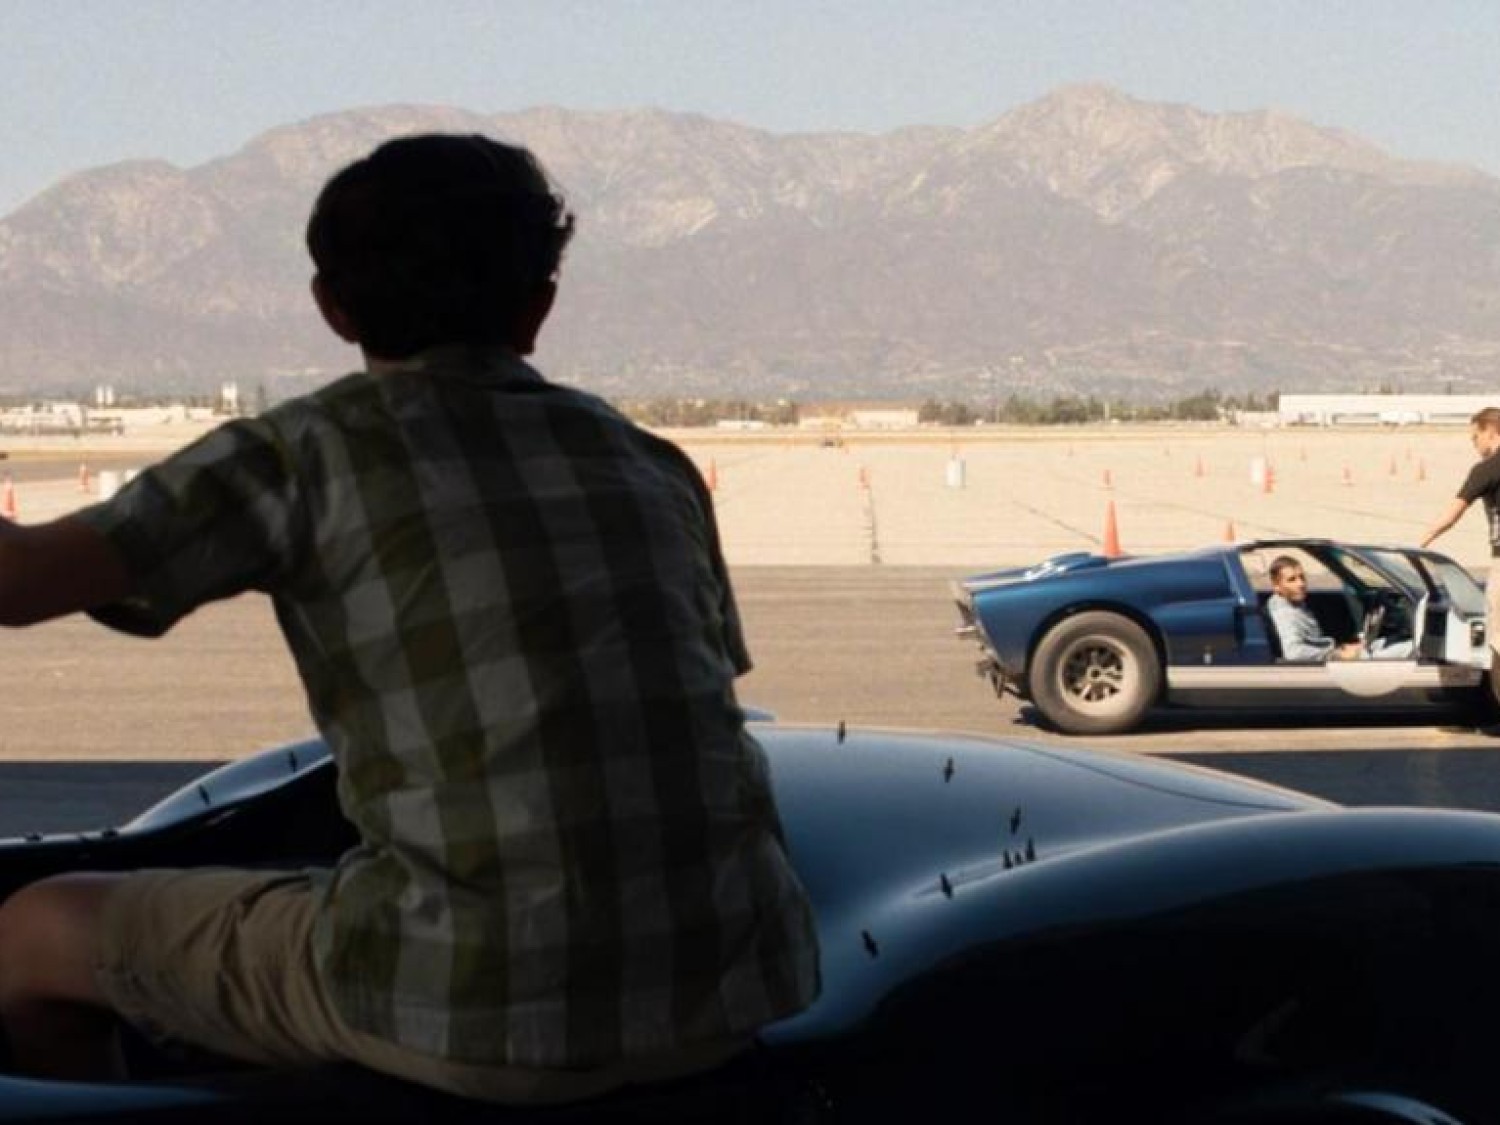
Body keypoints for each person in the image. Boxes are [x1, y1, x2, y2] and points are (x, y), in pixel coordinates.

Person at [0, 134, 819, 1100]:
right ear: (538, 305)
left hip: (472, 1000)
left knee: (35, 932)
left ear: (331, 306)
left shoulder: (301, 452)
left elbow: (20, 582)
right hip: (731, 984)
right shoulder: (651, 462)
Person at [1420, 406, 1500, 656]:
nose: (1473, 443)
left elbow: (1452, 515)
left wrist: (1423, 540)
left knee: (1495, 638)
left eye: (1475, 437)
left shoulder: (1486, 469)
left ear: (1490, 432)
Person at [1265, 555, 1412, 662]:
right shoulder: (1284, 612)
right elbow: (1294, 653)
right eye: (1292, 580)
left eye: (1302, 577)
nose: (1301, 584)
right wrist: (1337, 654)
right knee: (1405, 650)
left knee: (1381, 644)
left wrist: (1344, 648)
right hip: (1325, 666)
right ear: (1276, 586)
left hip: (1332, 655)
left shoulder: (1293, 604)